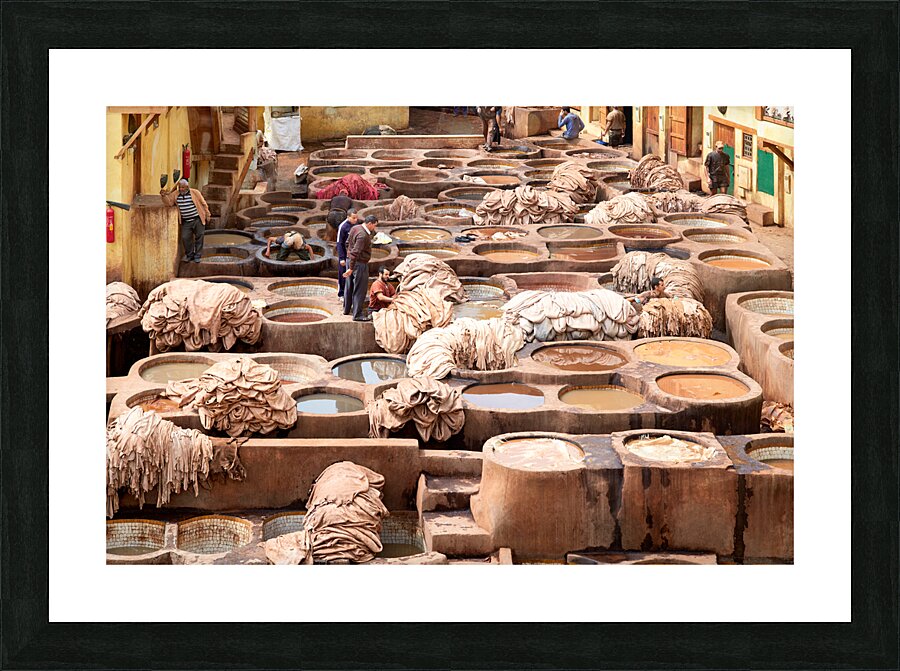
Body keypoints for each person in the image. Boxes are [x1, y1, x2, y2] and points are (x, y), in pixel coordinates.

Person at [160, 178, 211, 263]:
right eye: (180, 187)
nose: (181, 189)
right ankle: (190, 255)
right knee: (185, 238)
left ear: (187, 187)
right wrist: (163, 196)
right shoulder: (175, 194)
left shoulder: (195, 192)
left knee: (199, 237)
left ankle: (197, 256)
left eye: (183, 187)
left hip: (197, 219)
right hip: (186, 221)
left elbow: (204, 204)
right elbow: (169, 203)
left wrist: (207, 215)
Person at [342, 215, 379, 321]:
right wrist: (351, 268)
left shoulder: (355, 228)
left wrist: (349, 259)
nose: (374, 228)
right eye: (374, 225)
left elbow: (347, 243)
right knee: (360, 289)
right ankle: (357, 314)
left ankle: (346, 309)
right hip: (359, 264)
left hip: (350, 261)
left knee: (349, 287)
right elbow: (356, 252)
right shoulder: (363, 235)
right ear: (370, 224)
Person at [335, 208, 359, 298]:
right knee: (343, 273)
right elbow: (339, 243)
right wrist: (341, 258)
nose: (355, 220)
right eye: (353, 218)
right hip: (344, 255)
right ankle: (341, 294)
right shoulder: (343, 226)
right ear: (348, 217)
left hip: (353, 254)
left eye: (356, 218)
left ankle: (350, 293)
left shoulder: (356, 225)